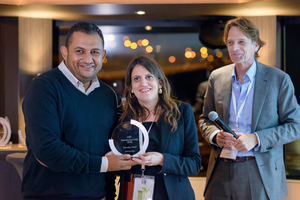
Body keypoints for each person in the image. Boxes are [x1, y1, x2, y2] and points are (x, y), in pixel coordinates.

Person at [22, 21, 135, 200]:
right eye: (79, 51)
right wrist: (104, 164)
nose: (88, 59)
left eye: (95, 52)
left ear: (103, 54)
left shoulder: (108, 95)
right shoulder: (44, 87)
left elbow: (109, 150)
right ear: (65, 53)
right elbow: (48, 150)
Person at [199, 17, 300, 200]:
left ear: (256, 45)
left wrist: (256, 138)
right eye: (230, 42)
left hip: (259, 171)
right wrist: (215, 135)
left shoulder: (279, 79)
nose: (234, 47)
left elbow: (295, 126)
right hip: (220, 169)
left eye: (241, 42)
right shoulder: (217, 77)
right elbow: (205, 119)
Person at [117, 55, 201, 200]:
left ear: (160, 83)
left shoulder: (182, 112)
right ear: (130, 88)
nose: (143, 83)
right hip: (133, 193)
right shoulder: (122, 118)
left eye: (149, 77)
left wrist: (162, 159)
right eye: (136, 79)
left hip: (173, 195)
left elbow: (194, 164)